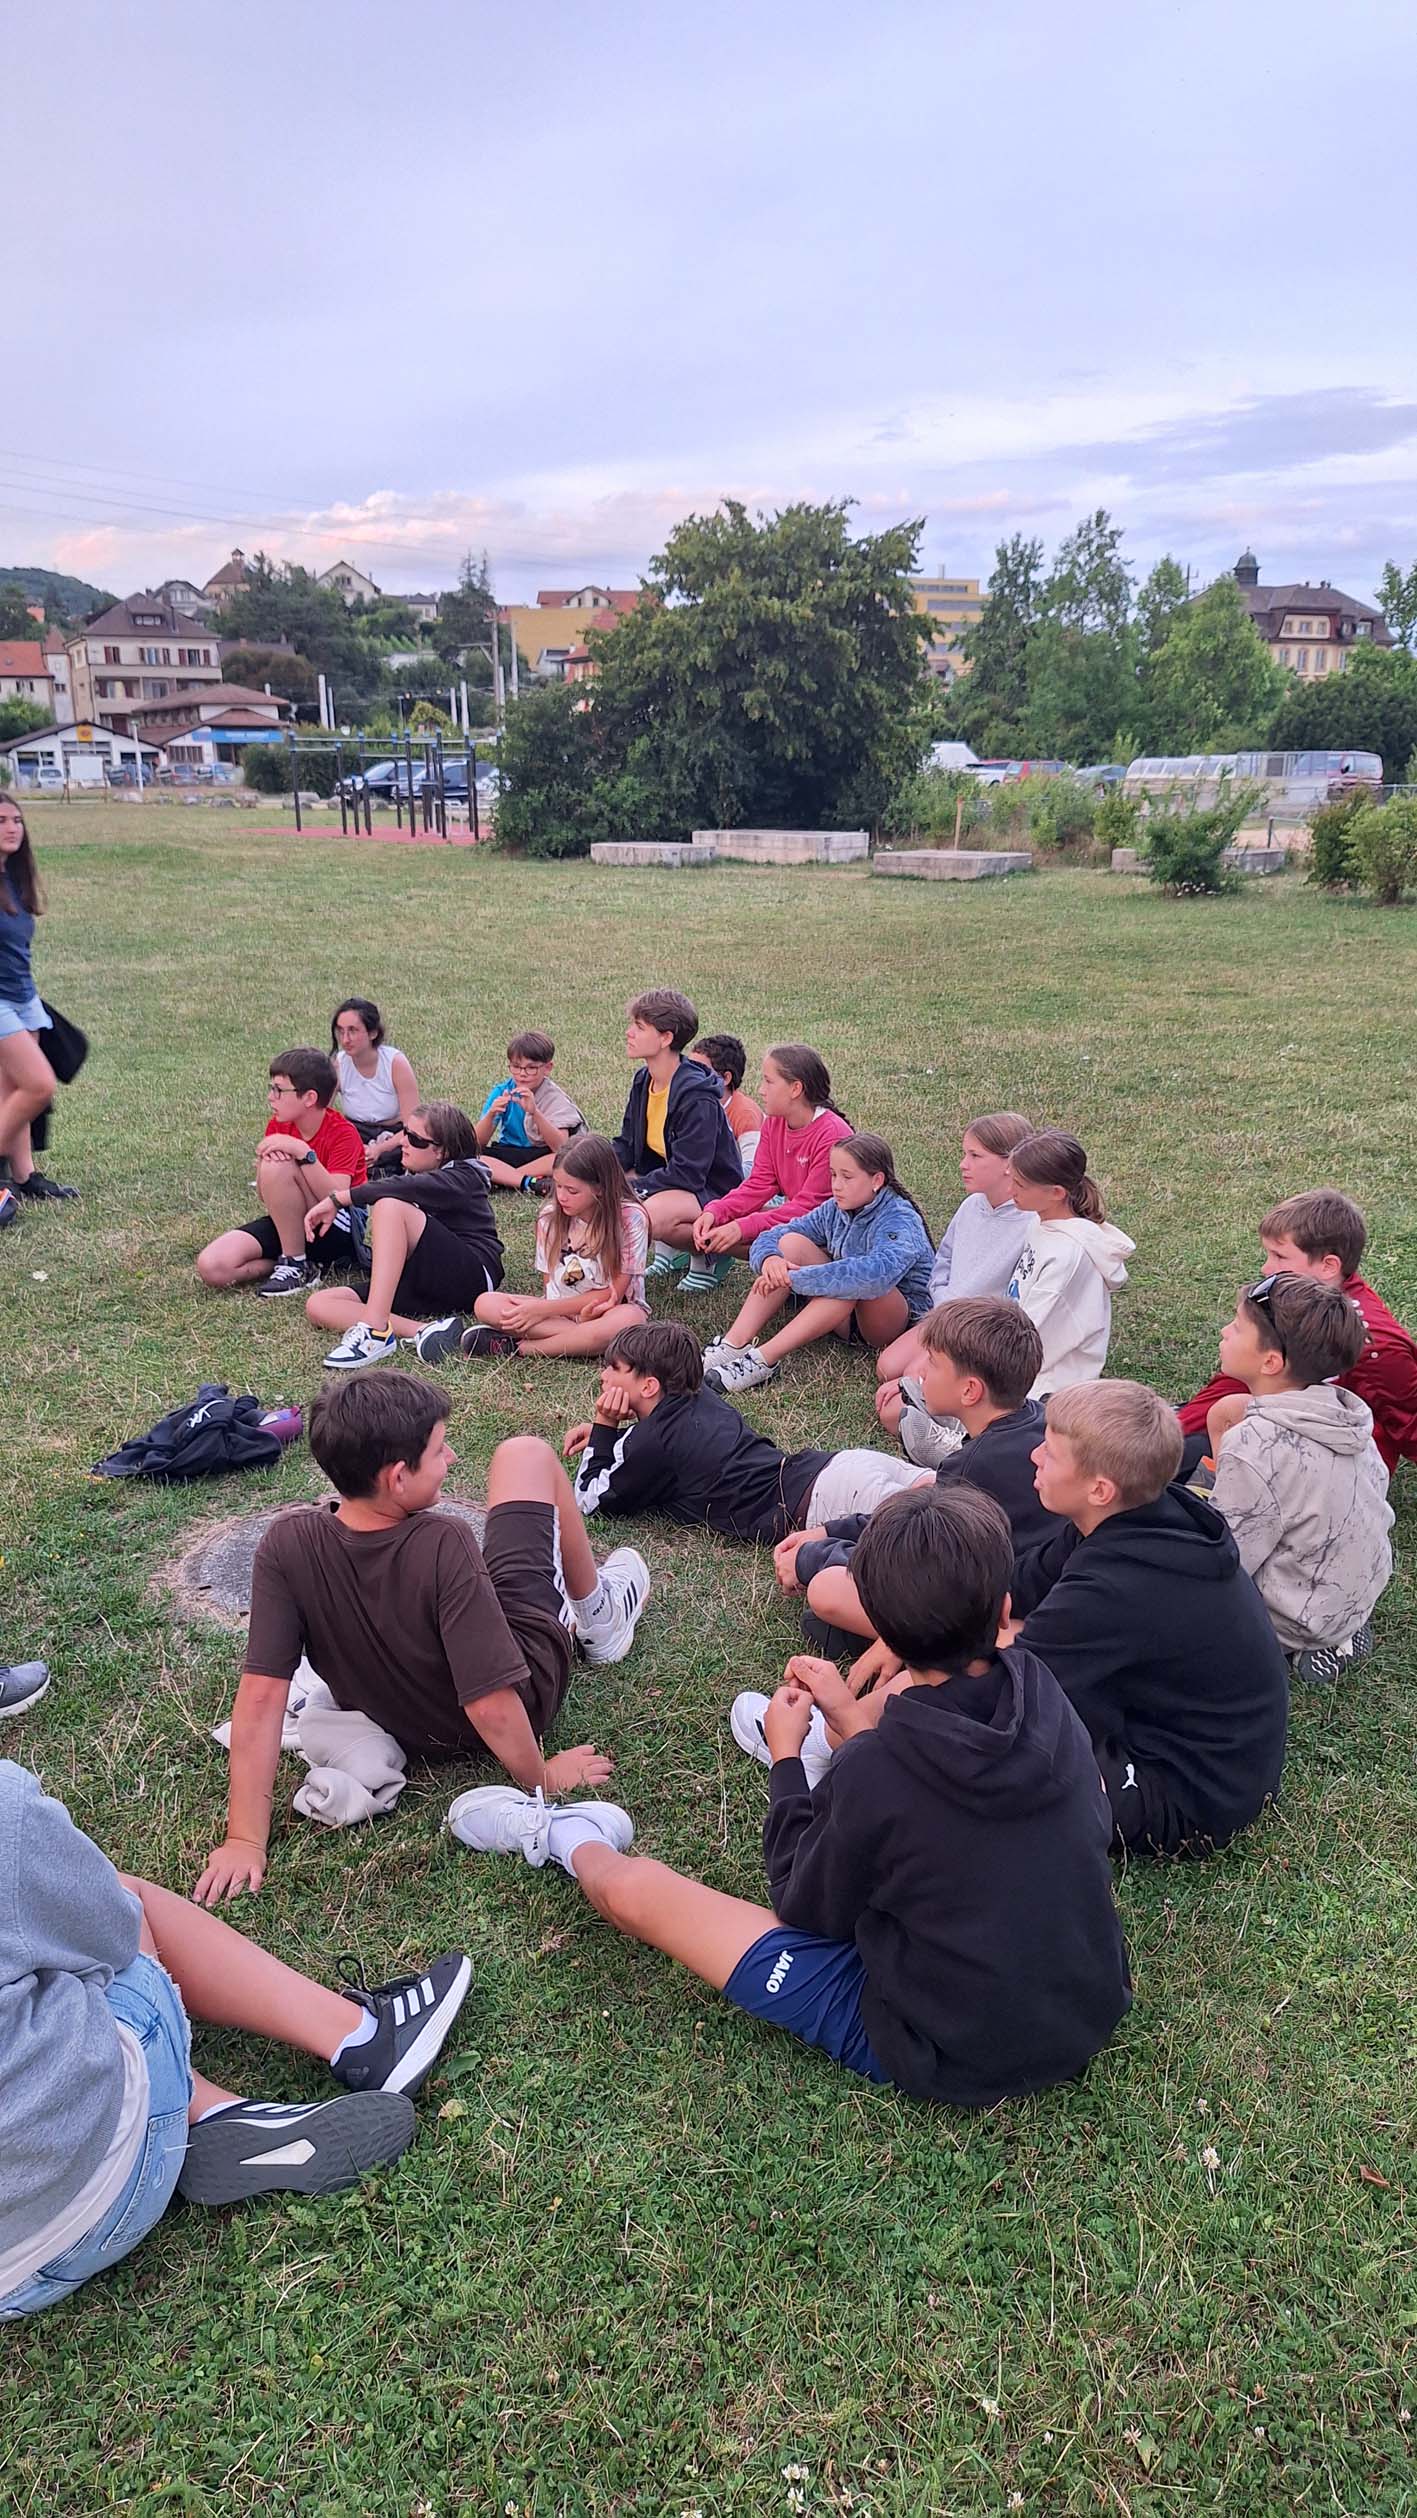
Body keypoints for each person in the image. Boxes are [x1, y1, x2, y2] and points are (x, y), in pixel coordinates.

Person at [447, 1485, 1132, 2108]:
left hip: (944, 2048)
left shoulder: (875, 1772)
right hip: (1087, 2008)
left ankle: (564, 1834)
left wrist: (785, 1756)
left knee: (633, 1894)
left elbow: (803, 1904)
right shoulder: (1040, 1687)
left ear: (885, 1635)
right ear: (1006, 1609)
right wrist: (852, 1726)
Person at [0, 1756, 473, 2317]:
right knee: (120, 1898)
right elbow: (110, 1930)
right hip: (96, 2194)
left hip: (14, 2287)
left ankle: (212, 2114)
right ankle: (355, 2043)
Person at [195, 1373, 650, 1904]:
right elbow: (491, 1703)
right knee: (525, 1454)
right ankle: (600, 1618)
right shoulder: (442, 1539)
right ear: (397, 1478)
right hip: (525, 1687)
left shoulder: (285, 1543)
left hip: (403, 1724)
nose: (451, 1457)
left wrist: (244, 1840)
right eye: (438, 1450)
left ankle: (580, 1610)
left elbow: (261, 1697)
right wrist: (542, 1777)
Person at [1012, 1381, 1289, 1858]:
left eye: (1050, 1453)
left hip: (1188, 1793)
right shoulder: (1132, 1516)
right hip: (1156, 1721)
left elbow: (1006, 1692)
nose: (1034, 1456)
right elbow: (1018, 1586)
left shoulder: (1117, 1584)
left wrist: (928, 1642)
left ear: (1100, 1489)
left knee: (1006, 1759)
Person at [771, 1297, 1065, 1681]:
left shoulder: (975, 1466)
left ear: (970, 1391)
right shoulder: (1036, 1420)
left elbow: (913, 1560)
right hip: (1021, 1600)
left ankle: (902, 1645)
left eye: (934, 1362)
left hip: (997, 1618)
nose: (921, 1370)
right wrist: (829, 1530)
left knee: (826, 1589)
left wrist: (813, 1556)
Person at [565, 1321, 924, 1542]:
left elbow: (589, 1500)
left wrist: (605, 1427)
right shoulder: (698, 1396)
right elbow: (665, 1438)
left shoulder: (652, 1443)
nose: (603, 1376)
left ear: (648, 1386)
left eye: (614, 1368)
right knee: (950, 1491)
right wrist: (610, 1438)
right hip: (841, 1467)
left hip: (824, 1501)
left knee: (938, 1530)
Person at [1205, 1273, 1393, 1682]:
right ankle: (1343, 1627)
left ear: (1271, 1362)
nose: (1225, 1331)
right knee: (1228, 1411)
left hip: (1297, 1616)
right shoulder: (1345, 1410)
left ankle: (1309, 1645)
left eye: (1237, 1326)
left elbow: (1227, 1557)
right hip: (1359, 1585)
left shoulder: (1256, 1446)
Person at [1177, 1189, 1417, 1479]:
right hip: (1268, 1425)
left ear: (1328, 1266)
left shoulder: (1377, 1347)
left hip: (1323, 1473)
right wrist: (1180, 1426)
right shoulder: (1288, 1300)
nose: (1266, 1268)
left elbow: (1411, 1423)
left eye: (1280, 1256)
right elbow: (1237, 1381)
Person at [703, 1133, 934, 1395]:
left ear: (877, 1180)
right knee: (790, 1243)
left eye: (847, 1177)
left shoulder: (900, 1218)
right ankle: (733, 1344)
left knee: (850, 1280)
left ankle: (762, 1360)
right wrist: (770, 1260)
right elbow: (775, 1234)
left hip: (892, 1324)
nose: (836, 1185)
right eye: (833, 1175)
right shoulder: (834, 1208)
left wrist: (792, 1278)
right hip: (846, 1313)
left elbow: (874, 1276)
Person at [301, 1101, 505, 1369]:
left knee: (389, 1204)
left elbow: (401, 1187)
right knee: (320, 1304)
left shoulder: (465, 1176)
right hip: (424, 1277)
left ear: (441, 1151)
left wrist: (338, 1199)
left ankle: (375, 1331)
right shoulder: (418, 1169)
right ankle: (423, 1330)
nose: (404, 1143)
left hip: (472, 1277)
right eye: (405, 1133)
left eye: (415, 1139)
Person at [875, 1112, 1034, 1451]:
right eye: (965, 1153)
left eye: (975, 1156)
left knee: (898, 1397)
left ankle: (953, 1436)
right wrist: (942, 1305)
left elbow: (1014, 1301)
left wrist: (951, 1331)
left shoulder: (1029, 1224)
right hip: (944, 1314)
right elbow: (943, 1262)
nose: (963, 1164)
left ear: (1009, 1164)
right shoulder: (971, 1206)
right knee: (888, 1366)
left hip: (976, 1334)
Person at [415, 1134, 648, 1365]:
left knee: (628, 1319)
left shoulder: (630, 1219)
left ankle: (520, 1348)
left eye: (572, 1190)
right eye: (557, 1185)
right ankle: (587, 1341)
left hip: (608, 1311)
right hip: (559, 1313)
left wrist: (544, 1310)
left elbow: (612, 1294)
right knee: (485, 1304)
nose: (561, 1196)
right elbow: (551, 1287)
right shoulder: (549, 1218)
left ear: (600, 1188)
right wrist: (546, 1310)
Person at [668, 1043, 853, 1296]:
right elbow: (758, 1183)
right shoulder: (775, 1122)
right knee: (711, 1223)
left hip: (830, 1239)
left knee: (769, 1236)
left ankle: (804, 1284)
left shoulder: (832, 1134)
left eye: (768, 1081)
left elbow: (808, 1209)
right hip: (799, 1225)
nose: (760, 1090)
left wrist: (741, 1227)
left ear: (796, 1088)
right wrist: (717, 1211)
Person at [196, 1047, 368, 1299]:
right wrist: (265, 1167)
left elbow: (338, 1197)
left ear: (309, 1098)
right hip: (292, 1222)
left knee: (279, 1165)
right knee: (213, 1266)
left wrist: (303, 1153)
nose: (270, 1097)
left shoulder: (343, 1133)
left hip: (339, 1227)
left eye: (278, 1090)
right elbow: (265, 1195)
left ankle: (296, 1264)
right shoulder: (279, 1125)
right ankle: (299, 1262)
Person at [610, 988, 742, 1270]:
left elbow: (689, 1173)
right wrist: (594, 1172)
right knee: (594, 1193)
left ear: (666, 1038)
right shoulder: (643, 1079)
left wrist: (632, 1187)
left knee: (640, 1215)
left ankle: (623, 1284)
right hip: (670, 1179)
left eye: (639, 1027)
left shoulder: (696, 1096)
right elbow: (626, 1146)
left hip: (710, 1189)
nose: (629, 1033)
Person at [1005, 1130, 1134, 1392]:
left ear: (1056, 1193)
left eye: (1020, 1185)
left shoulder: (1066, 1256)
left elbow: (1028, 1333)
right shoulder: (1039, 1223)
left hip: (1045, 1385)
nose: (1010, 1190)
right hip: (1018, 1363)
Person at [0, 794, 76, 1218]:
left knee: (12, 1092)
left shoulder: (12, 877)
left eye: (17, 820)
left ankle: (24, 1176)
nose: (12, 828)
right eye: (1, 821)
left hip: (23, 997)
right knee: (38, 1085)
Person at [474, 1030, 586, 1193]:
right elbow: (476, 1144)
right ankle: (529, 1182)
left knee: (565, 1159)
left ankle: (505, 1179)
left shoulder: (554, 1098)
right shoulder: (502, 1091)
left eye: (531, 1068)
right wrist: (491, 1114)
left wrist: (535, 1113)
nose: (522, 1074)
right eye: (516, 1067)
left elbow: (560, 1147)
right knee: (472, 1158)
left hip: (540, 1156)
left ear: (547, 1068)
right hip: (509, 1152)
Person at [330, 997, 420, 1168]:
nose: (345, 1039)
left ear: (373, 1033)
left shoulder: (395, 1063)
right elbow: (322, 1114)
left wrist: (379, 1149)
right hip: (354, 1133)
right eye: (341, 1031)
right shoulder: (339, 1065)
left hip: (394, 1136)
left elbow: (413, 1126)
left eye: (353, 1031)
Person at [685, 1033, 763, 1176]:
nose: (689, 1077)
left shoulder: (744, 1114)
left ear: (726, 1078)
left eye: (699, 1072)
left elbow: (752, 1169)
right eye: (688, 1069)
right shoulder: (690, 1106)